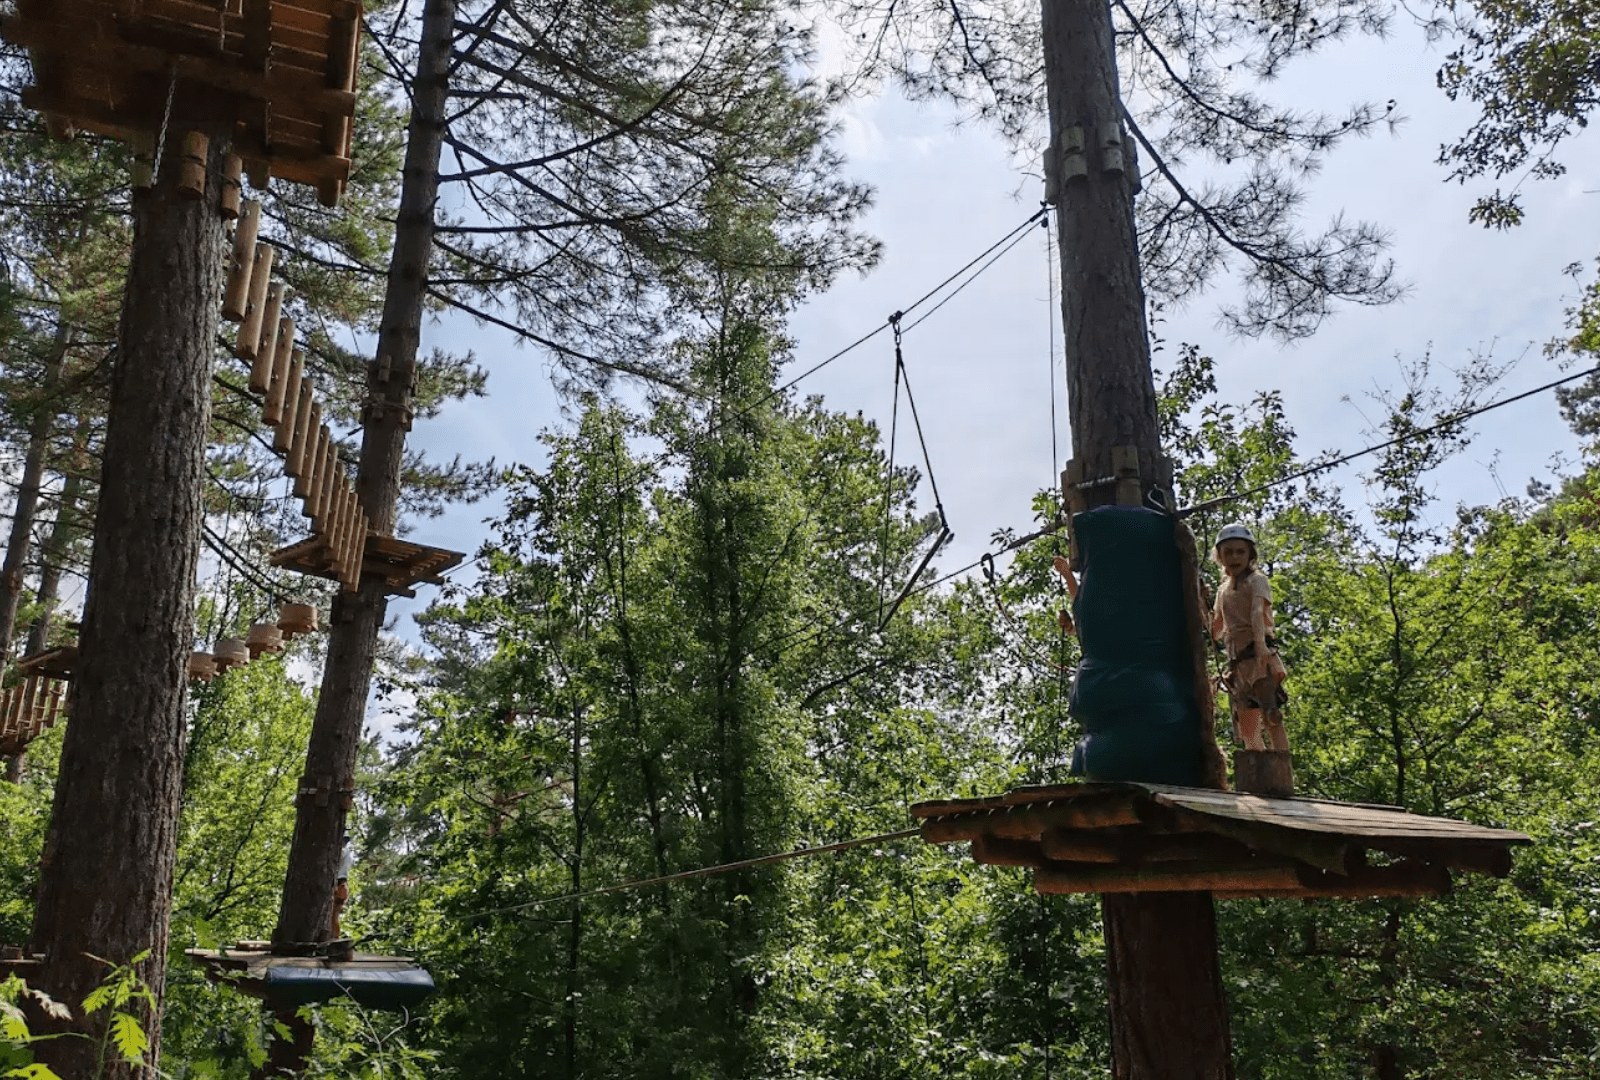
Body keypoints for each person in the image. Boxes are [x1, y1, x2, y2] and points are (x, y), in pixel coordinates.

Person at [1209, 523, 1288, 752]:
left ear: (1250, 554)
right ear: (1220, 557)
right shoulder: (1223, 590)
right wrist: (1203, 606)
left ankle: (1282, 771)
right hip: (1239, 664)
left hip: (1259, 656)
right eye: (1228, 552)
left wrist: (1262, 646)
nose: (1234, 557)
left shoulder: (1257, 581)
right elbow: (1216, 630)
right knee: (1247, 722)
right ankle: (1256, 768)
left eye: (1240, 551)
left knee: (1271, 714)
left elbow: (1256, 612)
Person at [331, 837, 355, 938]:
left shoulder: (342, 851)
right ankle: (334, 938)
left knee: (333, 917)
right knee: (333, 916)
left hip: (339, 884)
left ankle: (335, 939)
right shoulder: (349, 854)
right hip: (342, 884)